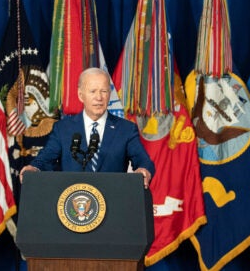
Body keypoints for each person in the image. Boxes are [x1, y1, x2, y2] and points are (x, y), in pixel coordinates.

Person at [20, 67, 154, 188]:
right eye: (93, 91)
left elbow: (143, 160)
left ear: (109, 94)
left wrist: (144, 170)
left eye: (104, 91)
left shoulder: (126, 129)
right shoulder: (63, 129)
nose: (99, 97)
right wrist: (34, 168)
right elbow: (45, 158)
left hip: (113, 199)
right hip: (73, 201)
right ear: (80, 95)